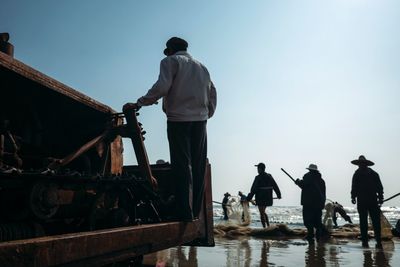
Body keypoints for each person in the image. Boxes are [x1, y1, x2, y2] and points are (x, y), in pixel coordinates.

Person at [123, 37, 217, 221]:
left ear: (171, 49)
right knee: (198, 167)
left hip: (178, 120)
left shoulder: (170, 61)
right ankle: (195, 212)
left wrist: (140, 103)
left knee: (181, 165)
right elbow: (212, 92)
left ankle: (184, 212)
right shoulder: (202, 67)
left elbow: (162, 86)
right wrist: (206, 114)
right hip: (200, 121)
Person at [351, 155, 384, 249]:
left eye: (362, 164)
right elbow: (354, 187)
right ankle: (365, 241)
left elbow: (379, 187)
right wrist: (353, 197)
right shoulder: (357, 174)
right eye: (359, 164)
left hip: (372, 200)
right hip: (362, 201)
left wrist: (381, 197)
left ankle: (378, 240)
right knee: (363, 222)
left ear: (365, 164)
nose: (360, 165)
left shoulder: (373, 174)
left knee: (376, 222)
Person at [295, 164, 326, 245]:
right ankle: (319, 236)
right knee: (317, 221)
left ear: (310, 170)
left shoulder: (308, 177)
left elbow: (304, 185)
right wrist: (322, 203)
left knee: (308, 221)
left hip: (308, 203)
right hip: (319, 204)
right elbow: (324, 193)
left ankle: (310, 235)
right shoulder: (321, 181)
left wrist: (298, 182)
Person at [247, 163, 281, 228]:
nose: (257, 170)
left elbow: (253, 189)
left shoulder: (258, 177)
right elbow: (275, 186)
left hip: (260, 197)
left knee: (261, 213)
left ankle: (264, 228)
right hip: (268, 197)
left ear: (260, 169)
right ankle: (268, 226)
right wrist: (278, 194)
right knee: (263, 212)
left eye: (258, 169)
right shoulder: (269, 176)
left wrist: (249, 198)